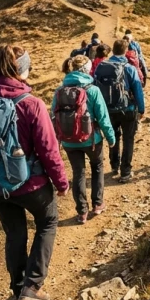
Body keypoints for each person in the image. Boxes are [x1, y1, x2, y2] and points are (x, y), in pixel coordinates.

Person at [0, 45, 68, 300]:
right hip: (30, 184)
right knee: (48, 223)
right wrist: (61, 183)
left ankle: (17, 288)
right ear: (22, 71)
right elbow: (49, 150)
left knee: (14, 233)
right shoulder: (31, 104)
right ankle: (32, 285)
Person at [52, 55, 117, 224]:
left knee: (78, 173)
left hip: (68, 141)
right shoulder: (93, 90)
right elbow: (103, 117)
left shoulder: (59, 91)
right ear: (87, 70)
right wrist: (111, 138)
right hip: (91, 139)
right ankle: (98, 203)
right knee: (97, 168)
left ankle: (82, 212)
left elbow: (54, 116)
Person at [97, 39, 145, 182]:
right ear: (125, 51)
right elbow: (137, 89)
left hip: (108, 110)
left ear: (113, 50)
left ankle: (114, 165)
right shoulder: (129, 68)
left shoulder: (101, 67)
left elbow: (95, 87)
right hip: (128, 109)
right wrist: (141, 109)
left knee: (113, 136)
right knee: (128, 139)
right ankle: (125, 172)